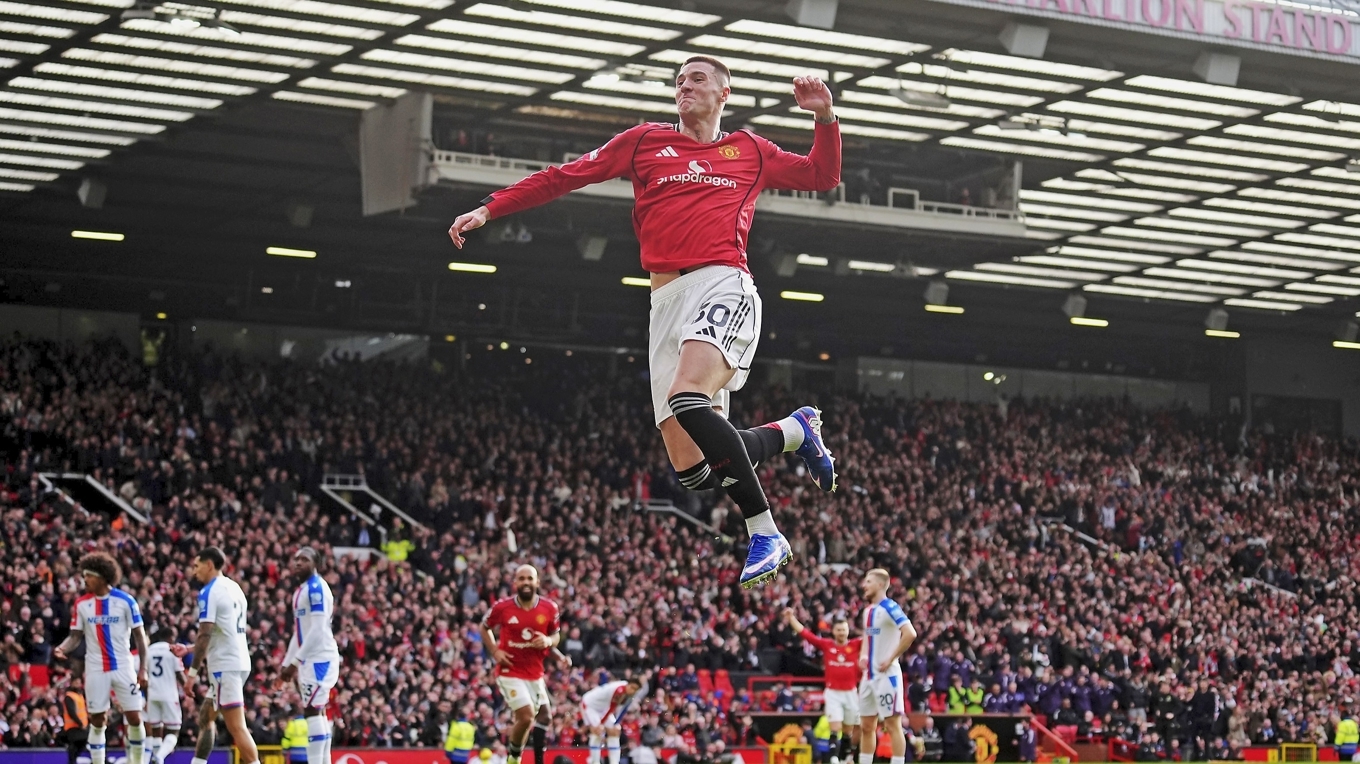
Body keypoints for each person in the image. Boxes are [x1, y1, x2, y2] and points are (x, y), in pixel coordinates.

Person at [447, 55, 842, 589]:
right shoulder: (643, 143)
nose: (685, 87)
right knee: (695, 470)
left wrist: (824, 118)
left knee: (687, 398)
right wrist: (490, 209)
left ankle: (765, 531)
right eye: (679, 81)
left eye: (697, 79)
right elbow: (564, 177)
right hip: (664, 302)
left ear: (724, 93)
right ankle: (794, 431)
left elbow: (822, 175)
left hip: (722, 283)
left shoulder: (749, 149)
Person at [54, 552, 151, 764]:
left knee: (134, 717)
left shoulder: (126, 601)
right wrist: (62, 648)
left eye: (88, 575)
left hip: (123, 666)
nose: (85, 580)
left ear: (101, 577)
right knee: (97, 720)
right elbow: (75, 636)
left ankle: (138, 762)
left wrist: (143, 669)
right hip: (95, 668)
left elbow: (140, 637)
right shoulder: (81, 604)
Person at [173, 546, 261, 764]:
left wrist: (192, 674)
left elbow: (205, 633)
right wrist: (190, 649)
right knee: (206, 716)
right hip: (238, 660)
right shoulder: (234, 588)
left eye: (197, 566)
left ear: (209, 565)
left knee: (236, 726)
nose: (194, 571)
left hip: (224, 666)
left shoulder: (209, 592)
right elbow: (222, 631)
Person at [480, 564, 561, 764]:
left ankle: (537, 761)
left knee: (544, 717)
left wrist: (548, 641)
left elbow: (556, 635)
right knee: (526, 716)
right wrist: (495, 650)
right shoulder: (502, 607)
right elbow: (484, 627)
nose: (526, 582)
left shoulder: (549, 608)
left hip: (535, 674)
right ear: (515, 583)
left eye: (529, 578)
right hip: (509, 671)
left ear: (537, 582)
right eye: (522, 578)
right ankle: (514, 759)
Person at [280, 547, 341, 764]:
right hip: (309, 658)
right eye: (296, 559)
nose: (298, 563)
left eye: (304, 559)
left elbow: (317, 629)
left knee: (312, 711)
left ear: (316, 564)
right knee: (317, 711)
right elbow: (299, 632)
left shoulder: (317, 588)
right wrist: (286, 663)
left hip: (319, 658)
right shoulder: (301, 590)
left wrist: (294, 663)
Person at [784, 609, 863, 764]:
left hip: (851, 693)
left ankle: (845, 758)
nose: (841, 632)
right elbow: (806, 634)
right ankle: (833, 758)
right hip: (833, 692)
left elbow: (873, 637)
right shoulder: (827, 645)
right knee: (835, 727)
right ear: (833, 631)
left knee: (848, 730)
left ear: (848, 631)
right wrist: (791, 618)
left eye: (844, 629)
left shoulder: (855, 644)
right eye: (838, 630)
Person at [856, 569, 917, 764]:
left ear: (880, 584)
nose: (864, 585)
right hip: (868, 677)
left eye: (868, 582)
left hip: (887, 676)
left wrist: (891, 658)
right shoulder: (867, 611)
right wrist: (863, 655)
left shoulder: (890, 607)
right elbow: (868, 636)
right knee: (866, 726)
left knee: (892, 725)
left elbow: (910, 633)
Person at [580, 673, 647, 764]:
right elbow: (612, 708)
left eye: (635, 689)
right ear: (628, 684)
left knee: (615, 730)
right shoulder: (619, 690)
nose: (632, 691)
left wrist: (615, 723)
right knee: (597, 731)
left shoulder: (629, 690)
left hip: (603, 707)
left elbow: (623, 709)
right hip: (590, 705)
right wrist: (601, 723)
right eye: (632, 687)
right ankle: (594, 761)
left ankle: (614, 762)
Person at [144, 627, 185, 764]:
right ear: (170, 637)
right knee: (174, 731)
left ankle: (157, 758)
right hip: (169, 695)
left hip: (152, 694)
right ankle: (159, 757)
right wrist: (188, 689)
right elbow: (179, 674)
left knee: (156, 730)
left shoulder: (149, 651)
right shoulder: (172, 650)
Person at [58, 673, 89, 764]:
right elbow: (71, 712)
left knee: (76, 749)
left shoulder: (79, 695)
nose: (78, 685)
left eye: (79, 683)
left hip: (81, 727)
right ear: (71, 683)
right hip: (73, 727)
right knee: (75, 748)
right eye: (76, 683)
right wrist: (80, 723)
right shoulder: (69, 696)